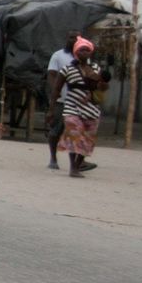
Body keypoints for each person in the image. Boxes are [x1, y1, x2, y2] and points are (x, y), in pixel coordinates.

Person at [60, 36, 106, 178]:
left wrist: (96, 81)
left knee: (87, 140)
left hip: (92, 109)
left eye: (87, 50)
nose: (84, 53)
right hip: (72, 106)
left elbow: (103, 87)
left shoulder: (96, 68)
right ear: (76, 52)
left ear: (91, 52)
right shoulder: (67, 69)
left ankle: (79, 164)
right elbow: (57, 88)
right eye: (81, 50)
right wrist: (50, 109)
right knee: (74, 136)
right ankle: (73, 168)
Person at [44, 31, 78, 170]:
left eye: (77, 38)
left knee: (76, 132)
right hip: (61, 99)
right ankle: (53, 157)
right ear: (66, 39)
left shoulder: (82, 57)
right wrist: (55, 92)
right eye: (72, 37)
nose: (74, 40)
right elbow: (51, 75)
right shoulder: (58, 56)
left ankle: (76, 163)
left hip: (77, 101)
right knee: (56, 130)